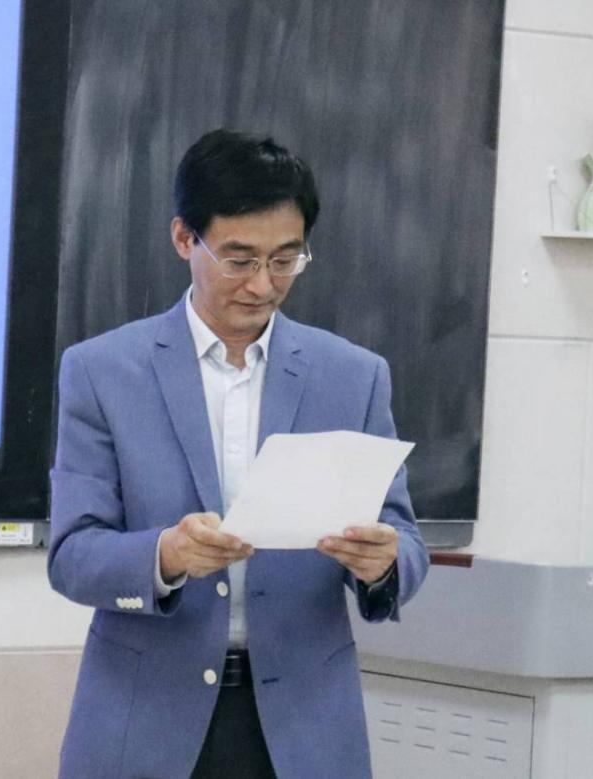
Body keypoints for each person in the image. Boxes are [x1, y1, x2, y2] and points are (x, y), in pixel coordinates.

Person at [48, 129, 428, 779]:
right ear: (183, 239)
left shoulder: (353, 377)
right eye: (238, 259)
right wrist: (166, 555)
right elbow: (72, 556)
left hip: (303, 728)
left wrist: (383, 564)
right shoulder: (102, 372)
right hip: (144, 723)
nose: (261, 284)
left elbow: (406, 543)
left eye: (285, 259)